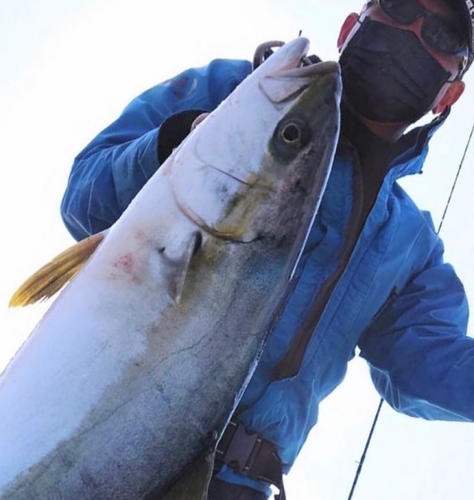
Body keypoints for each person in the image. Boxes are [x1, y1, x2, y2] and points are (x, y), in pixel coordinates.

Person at [61, 0, 474, 498]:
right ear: (350, 26)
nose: (412, 30)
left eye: (444, 36)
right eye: (400, 4)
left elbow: (426, 367)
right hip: (83, 432)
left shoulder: (410, 247)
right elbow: (86, 198)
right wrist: (187, 147)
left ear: (449, 94)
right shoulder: (241, 95)